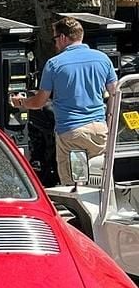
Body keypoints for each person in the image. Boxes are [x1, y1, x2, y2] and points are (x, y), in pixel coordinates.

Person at [11, 16, 117, 185]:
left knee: (74, 184)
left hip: (71, 132)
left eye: (55, 39)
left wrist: (21, 102)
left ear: (62, 37)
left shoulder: (55, 64)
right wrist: (109, 124)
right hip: (99, 130)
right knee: (100, 178)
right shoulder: (102, 59)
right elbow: (114, 93)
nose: (55, 44)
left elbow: (39, 102)